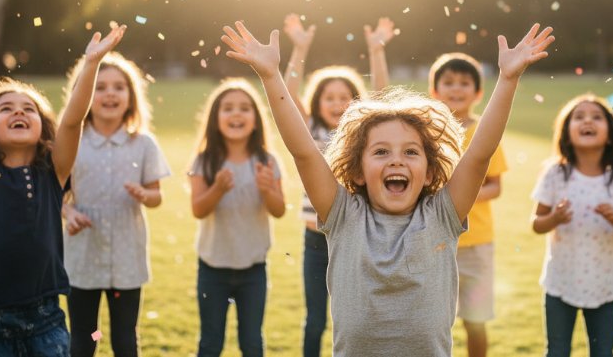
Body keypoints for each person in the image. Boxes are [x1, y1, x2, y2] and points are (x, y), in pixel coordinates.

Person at [222, 20, 555, 357]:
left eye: (411, 152)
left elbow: (480, 153)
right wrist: (270, 76)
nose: (397, 160)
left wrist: (508, 79)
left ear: (429, 172)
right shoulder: (342, 214)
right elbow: (305, 152)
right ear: (359, 170)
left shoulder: (443, 214)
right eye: (381, 152)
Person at [0, 9, 125, 357]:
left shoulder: (53, 173)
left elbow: (72, 121)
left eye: (29, 109)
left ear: (42, 128)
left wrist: (92, 64)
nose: (19, 112)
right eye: (5, 109)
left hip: (43, 319)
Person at [281, 13, 395, 357]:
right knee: (315, 318)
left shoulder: (363, 136)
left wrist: (376, 51)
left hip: (358, 237)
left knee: (360, 318)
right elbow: (285, 95)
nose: (336, 103)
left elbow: (385, 98)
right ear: (317, 102)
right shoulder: (311, 131)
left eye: (344, 97)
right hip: (315, 241)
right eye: (328, 97)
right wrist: (300, 48)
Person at [61, 52, 171, 357]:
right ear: (82, 95)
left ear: (131, 97)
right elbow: (57, 194)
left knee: (124, 338)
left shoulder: (144, 143)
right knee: (85, 338)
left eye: (119, 87)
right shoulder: (72, 142)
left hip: (127, 256)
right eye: (99, 86)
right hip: (83, 255)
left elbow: (157, 196)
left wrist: (143, 194)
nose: (110, 93)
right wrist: (68, 213)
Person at [530, 94, 613, 357]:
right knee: (557, 352)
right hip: (560, 283)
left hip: (604, 285)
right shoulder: (555, 173)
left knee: (603, 352)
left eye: (596, 117)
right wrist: (555, 219)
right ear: (566, 133)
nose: (587, 121)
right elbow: (536, 223)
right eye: (579, 117)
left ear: (611, 134)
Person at [188, 79, 286, 357]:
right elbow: (198, 210)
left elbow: (279, 211)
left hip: (254, 268)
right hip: (212, 268)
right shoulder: (204, 162)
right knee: (210, 342)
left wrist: (267, 189)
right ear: (215, 118)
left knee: (252, 342)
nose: (236, 114)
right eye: (228, 108)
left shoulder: (267, 162)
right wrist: (217, 188)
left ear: (255, 119)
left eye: (244, 108)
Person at [428, 53, 508, 357]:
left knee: (475, 321)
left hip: (476, 243)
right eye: (448, 82)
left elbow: (495, 186)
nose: (456, 89)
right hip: (434, 240)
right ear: (434, 91)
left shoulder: (485, 134)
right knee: (433, 320)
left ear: (478, 92)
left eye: (464, 83)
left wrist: (458, 196)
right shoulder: (428, 134)